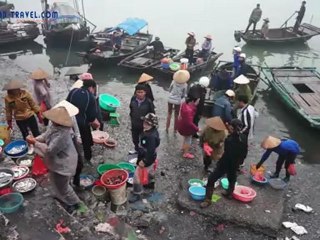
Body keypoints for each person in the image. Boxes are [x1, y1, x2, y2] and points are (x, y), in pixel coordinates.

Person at [27, 107, 87, 214]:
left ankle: (77, 204)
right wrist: (36, 139)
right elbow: (46, 135)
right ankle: (62, 198)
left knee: (64, 187)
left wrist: (34, 143)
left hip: (64, 164)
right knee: (56, 182)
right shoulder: (54, 125)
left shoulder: (63, 135)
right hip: (56, 162)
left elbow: (50, 151)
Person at [200, 119, 247, 208]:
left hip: (226, 163)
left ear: (232, 127)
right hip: (236, 164)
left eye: (229, 125)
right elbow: (245, 152)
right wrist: (239, 163)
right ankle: (229, 193)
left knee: (211, 179)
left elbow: (226, 154)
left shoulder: (229, 140)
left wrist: (219, 163)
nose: (227, 126)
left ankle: (207, 200)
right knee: (232, 178)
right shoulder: (244, 137)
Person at [3, 80, 42, 153]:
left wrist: (38, 115)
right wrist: (9, 122)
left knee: (36, 132)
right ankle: (29, 146)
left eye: (17, 89)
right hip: (19, 118)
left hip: (29, 115)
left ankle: (39, 145)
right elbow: (8, 111)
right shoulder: (8, 98)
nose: (16, 91)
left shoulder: (25, 94)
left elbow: (33, 104)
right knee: (25, 133)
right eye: (13, 90)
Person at [66, 80, 100, 164]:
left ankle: (73, 156)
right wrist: (94, 122)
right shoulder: (90, 97)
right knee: (86, 141)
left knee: (72, 139)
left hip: (71, 121)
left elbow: (66, 104)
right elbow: (92, 115)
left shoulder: (73, 91)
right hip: (82, 123)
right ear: (91, 87)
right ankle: (87, 158)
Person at [129, 113, 160, 203]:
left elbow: (150, 151)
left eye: (148, 123)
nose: (144, 124)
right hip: (151, 157)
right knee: (149, 171)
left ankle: (137, 193)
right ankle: (150, 184)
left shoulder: (151, 137)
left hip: (147, 158)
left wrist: (144, 161)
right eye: (144, 122)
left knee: (136, 176)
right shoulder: (150, 131)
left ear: (153, 125)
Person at [52, 100, 83, 188]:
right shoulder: (54, 118)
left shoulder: (71, 115)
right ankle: (67, 184)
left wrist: (78, 137)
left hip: (72, 139)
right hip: (61, 141)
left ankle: (76, 181)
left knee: (79, 162)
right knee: (65, 164)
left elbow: (75, 126)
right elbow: (50, 133)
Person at [129, 84, 155, 154]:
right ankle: (136, 149)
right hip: (134, 123)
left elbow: (152, 114)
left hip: (144, 125)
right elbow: (131, 109)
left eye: (141, 92)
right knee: (135, 138)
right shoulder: (133, 99)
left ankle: (144, 151)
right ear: (135, 92)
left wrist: (150, 125)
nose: (140, 94)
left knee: (144, 139)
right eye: (138, 92)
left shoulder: (149, 102)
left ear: (145, 92)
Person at [177, 93, 201, 159]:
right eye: (198, 101)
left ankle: (183, 148)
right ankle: (185, 153)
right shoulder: (189, 110)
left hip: (181, 125)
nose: (198, 102)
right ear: (193, 101)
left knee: (185, 138)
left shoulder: (185, 104)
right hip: (186, 128)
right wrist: (197, 129)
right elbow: (189, 123)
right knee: (188, 140)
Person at [237, 95, 258, 168]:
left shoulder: (245, 112)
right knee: (243, 148)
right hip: (249, 133)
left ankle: (240, 163)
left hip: (245, 134)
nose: (238, 104)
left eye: (238, 102)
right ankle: (241, 162)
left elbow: (246, 126)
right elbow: (256, 114)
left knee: (242, 149)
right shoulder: (251, 107)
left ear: (242, 102)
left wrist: (240, 133)